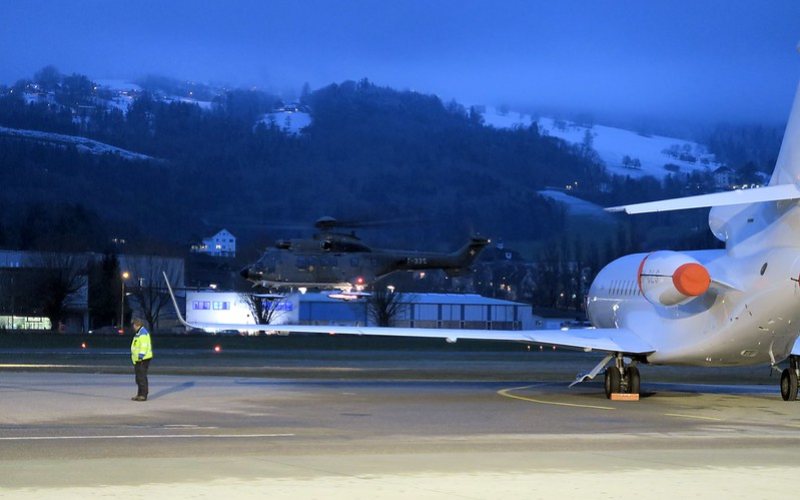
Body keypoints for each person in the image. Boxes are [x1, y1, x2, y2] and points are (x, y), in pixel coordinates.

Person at [130, 316, 153, 401]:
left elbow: (144, 346)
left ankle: (143, 395)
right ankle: (139, 394)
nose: (133, 327)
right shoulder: (139, 333)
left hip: (142, 359)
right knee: (139, 377)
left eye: (133, 325)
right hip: (138, 359)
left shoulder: (142, 333)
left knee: (141, 377)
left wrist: (140, 356)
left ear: (136, 325)